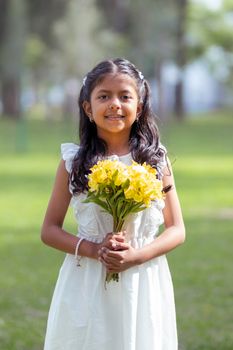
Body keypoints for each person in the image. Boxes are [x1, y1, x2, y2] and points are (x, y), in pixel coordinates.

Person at [41, 58, 185, 350]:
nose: (115, 104)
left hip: (143, 279)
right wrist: (95, 250)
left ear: (140, 107)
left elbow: (177, 229)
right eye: (104, 96)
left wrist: (138, 256)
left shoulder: (156, 160)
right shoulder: (74, 162)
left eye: (125, 96)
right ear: (87, 108)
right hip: (87, 279)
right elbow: (49, 230)